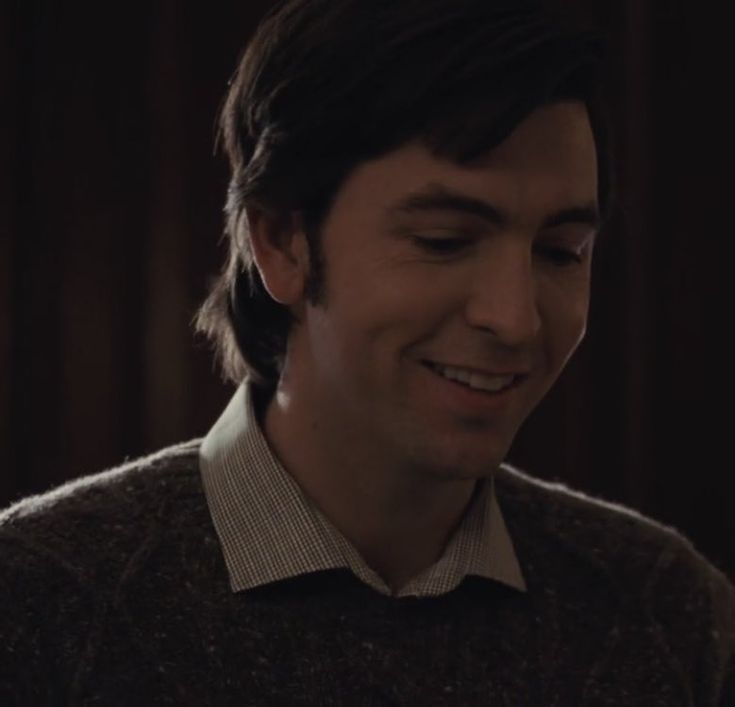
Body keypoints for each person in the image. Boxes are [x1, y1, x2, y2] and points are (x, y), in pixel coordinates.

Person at [2, 0, 733, 703]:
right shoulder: (45, 599)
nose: (514, 319)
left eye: (561, 252)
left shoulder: (661, 609)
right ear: (282, 241)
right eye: (443, 241)